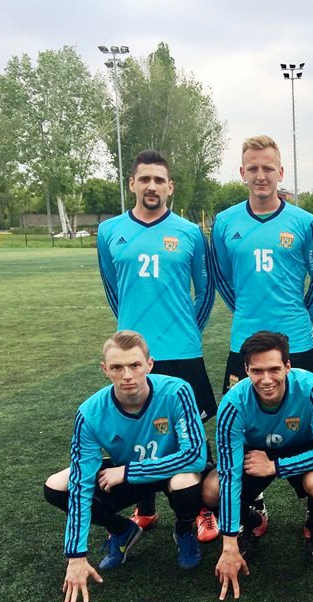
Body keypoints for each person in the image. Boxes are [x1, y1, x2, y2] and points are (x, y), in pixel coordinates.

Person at [43, 331, 208, 602]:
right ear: (105, 370)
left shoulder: (176, 391)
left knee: (186, 482)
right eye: (117, 367)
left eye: (135, 365)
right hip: (126, 472)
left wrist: (129, 472)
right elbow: (82, 482)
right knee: (57, 486)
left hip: (170, 470)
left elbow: (195, 456)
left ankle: (183, 529)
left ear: (149, 365)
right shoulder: (90, 412)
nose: (127, 375)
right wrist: (76, 556)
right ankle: (121, 530)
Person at [97, 150, 216, 531]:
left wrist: (188, 329)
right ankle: (145, 507)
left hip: (182, 350)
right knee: (136, 426)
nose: (152, 186)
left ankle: (203, 509)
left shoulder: (189, 232)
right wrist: (130, 333)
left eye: (159, 180)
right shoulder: (109, 231)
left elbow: (206, 290)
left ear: (170, 187)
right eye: (145, 179)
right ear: (132, 183)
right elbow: (113, 289)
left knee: (193, 430)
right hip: (133, 354)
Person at [203, 331, 313, 600]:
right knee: (211, 489)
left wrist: (276, 466)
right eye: (257, 371)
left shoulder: (310, 388)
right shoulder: (233, 403)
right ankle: (252, 522)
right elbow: (229, 474)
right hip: (255, 453)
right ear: (246, 370)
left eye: (274, 369)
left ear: (288, 366)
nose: (266, 380)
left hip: (299, 449)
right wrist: (228, 545)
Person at [210, 135, 313, 388]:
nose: (260, 176)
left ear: (281, 173)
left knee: (306, 409)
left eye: (268, 168)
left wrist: (304, 314)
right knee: (242, 410)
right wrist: (243, 308)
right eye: (253, 168)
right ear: (242, 173)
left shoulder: (305, 222)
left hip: (296, 339)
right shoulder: (224, 222)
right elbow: (221, 276)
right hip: (245, 338)